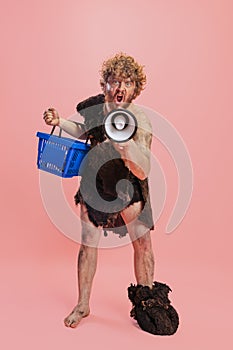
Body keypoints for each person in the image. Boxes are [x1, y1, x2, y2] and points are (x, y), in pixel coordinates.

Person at [43, 53, 155, 329]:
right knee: (88, 243)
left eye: (127, 82)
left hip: (129, 187)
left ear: (135, 89)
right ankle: (83, 305)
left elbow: (143, 170)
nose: (119, 88)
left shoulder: (140, 121)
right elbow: (83, 130)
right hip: (96, 183)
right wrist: (59, 123)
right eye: (114, 81)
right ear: (105, 84)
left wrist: (126, 149)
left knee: (142, 244)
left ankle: (146, 304)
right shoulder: (95, 108)